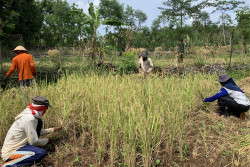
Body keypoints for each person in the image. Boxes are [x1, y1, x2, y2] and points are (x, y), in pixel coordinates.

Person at [1, 96, 62, 167]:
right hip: (11, 153)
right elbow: (34, 141)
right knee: (40, 153)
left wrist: (52, 129)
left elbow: (33, 133)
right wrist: (47, 140)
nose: (45, 111)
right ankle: (8, 165)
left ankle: (27, 152)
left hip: (21, 145)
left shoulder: (32, 117)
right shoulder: (29, 119)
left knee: (39, 122)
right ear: (41, 108)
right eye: (46, 109)